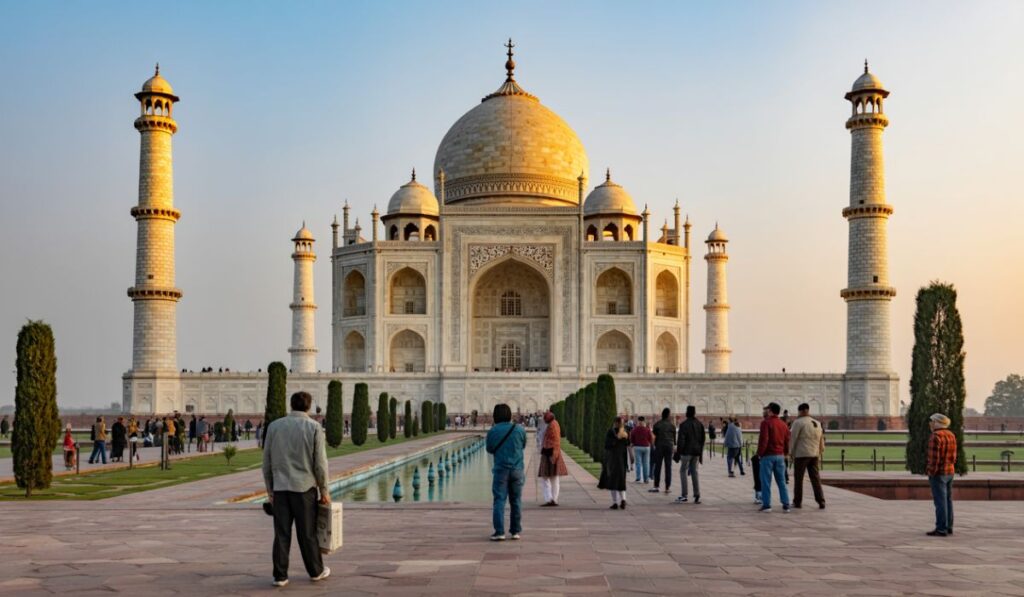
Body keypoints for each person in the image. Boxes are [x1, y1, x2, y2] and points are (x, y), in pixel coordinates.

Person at [262, 391, 331, 587]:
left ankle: (280, 576)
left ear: (291, 405)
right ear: (308, 407)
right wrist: (324, 491)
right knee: (307, 533)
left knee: (281, 534)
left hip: (281, 490)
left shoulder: (275, 427)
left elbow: (266, 463)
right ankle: (316, 571)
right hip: (304, 489)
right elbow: (320, 464)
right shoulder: (314, 427)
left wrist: (270, 491)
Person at [486, 403, 526, 541]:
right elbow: (523, 445)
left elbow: (490, 449)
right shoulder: (519, 430)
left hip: (501, 470)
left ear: (495, 416)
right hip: (517, 469)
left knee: (499, 500)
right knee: (516, 501)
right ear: (509, 415)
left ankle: (499, 532)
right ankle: (515, 531)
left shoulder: (493, 431)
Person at [789, 403, 826, 509]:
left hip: (802, 454)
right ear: (808, 411)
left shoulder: (798, 422)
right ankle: (821, 501)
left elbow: (793, 438)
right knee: (815, 478)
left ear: (800, 411)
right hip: (814, 454)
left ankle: (797, 501)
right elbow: (821, 439)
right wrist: (820, 450)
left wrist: (790, 452)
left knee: (798, 479)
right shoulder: (817, 423)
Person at [926, 413, 957, 537]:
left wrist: (931, 472)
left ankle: (941, 528)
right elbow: (954, 456)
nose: (930, 424)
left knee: (940, 502)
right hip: (949, 471)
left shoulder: (935, 436)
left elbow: (934, 459)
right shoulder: (951, 435)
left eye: (932, 421)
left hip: (938, 473)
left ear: (936, 423)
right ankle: (948, 526)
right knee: (947, 500)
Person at [757, 403, 791, 513]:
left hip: (768, 456)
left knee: (766, 481)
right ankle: (786, 504)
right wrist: (785, 453)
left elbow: (764, 440)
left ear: (770, 411)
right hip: (780, 456)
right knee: (781, 481)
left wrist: (760, 454)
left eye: (767, 409)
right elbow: (787, 441)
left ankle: (767, 505)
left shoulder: (766, 423)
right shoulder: (783, 424)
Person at [674, 405, 705, 504]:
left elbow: (681, 440)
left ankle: (684, 495)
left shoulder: (684, 425)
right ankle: (697, 494)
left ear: (687, 412)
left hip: (686, 452)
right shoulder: (699, 424)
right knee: (694, 472)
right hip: (696, 452)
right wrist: (700, 454)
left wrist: (678, 453)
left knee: (683, 471)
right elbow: (702, 440)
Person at [598, 417, 630, 509]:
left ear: (615, 422)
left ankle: (615, 502)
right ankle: (623, 499)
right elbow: (628, 443)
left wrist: (616, 440)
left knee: (613, 481)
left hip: (613, 460)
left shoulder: (611, 432)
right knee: (621, 480)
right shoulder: (625, 432)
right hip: (622, 460)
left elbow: (607, 445)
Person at [538, 411, 567, 506]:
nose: (544, 420)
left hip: (549, 454)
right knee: (554, 478)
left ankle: (549, 499)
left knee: (546, 478)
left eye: (545, 418)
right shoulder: (555, 424)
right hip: (555, 453)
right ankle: (554, 499)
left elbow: (548, 440)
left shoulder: (551, 426)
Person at [649, 408, 676, 494]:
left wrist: (653, 446)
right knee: (668, 467)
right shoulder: (672, 425)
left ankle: (656, 486)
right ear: (668, 415)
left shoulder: (657, 424)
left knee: (658, 466)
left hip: (660, 446)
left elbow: (654, 436)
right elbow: (674, 439)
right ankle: (667, 487)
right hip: (669, 446)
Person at [629, 416, 653, 483]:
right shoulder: (647, 429)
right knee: (646, 463)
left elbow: (632, 438)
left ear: (638, 422)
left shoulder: (635, 429)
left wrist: (632, 443)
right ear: (644, 421)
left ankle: (638, 477)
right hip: (646, 447)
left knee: (638, 463)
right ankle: (646, 479)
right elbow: (650, 438)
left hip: (637, 447)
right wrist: (650, 444)